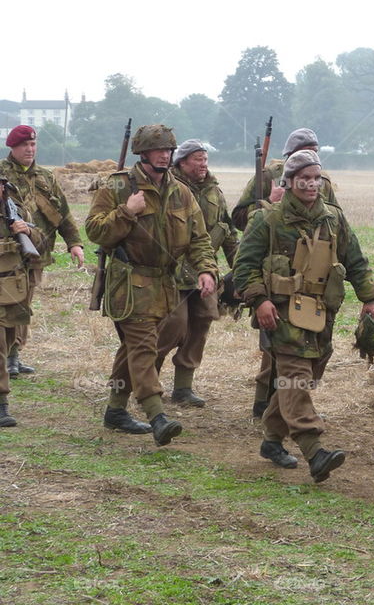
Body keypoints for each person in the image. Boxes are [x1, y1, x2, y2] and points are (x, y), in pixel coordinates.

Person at [233, 150, 374, 482]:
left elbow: (355, 260)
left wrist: (370, 299)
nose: (312, 184)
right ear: (288, 181)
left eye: (316, 178)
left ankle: (272, 440)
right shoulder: (267, 220)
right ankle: (314, 450)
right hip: (283, 315)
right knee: (295, 378)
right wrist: (259, 301)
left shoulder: (333, 219)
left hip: (321, 315)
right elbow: (243, 267)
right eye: (305, 178)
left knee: (302, 378)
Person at [86, 124, 217, 446]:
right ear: (142, 153)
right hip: (129, 285)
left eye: (169, 150)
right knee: (143, 348)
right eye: (158, 150)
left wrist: (206, 270)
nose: (164, 155)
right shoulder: (118, 187)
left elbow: (199, 238)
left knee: (133, 348)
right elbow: (95, 231)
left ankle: (116, 410)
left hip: (166, 285)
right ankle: (157, 415)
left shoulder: (181, 192)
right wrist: (125, 212)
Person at [234, 128, 338, 418]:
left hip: (312, 274)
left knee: (307, 352)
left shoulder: (323, 181)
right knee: (275, 352)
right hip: (275, 271)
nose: (312, 154)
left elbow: (334, 222)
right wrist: (267, 201)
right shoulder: (267, 176)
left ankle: (281, 413)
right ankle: (265, 405)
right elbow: (239, 216)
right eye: (306, 148)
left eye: (315, 149)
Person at [154, 140, 239, 406]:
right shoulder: (168, 189)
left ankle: (183, 388)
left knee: (202, 322)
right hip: (173, 273)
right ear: (181, 163)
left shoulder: (214, 192)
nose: (203, 164)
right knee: (172, 327)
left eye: (205, 159)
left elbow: (227, 231)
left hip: (205, 271)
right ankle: (146, 381)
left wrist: (240, 267)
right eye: (197, 159)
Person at [0, 125, 84, 377]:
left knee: (24, 304)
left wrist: (75, 243)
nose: (29, 149)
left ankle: (15, 355)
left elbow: (65, 215)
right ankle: (7, 359)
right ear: (12, 148)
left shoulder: (46, 178)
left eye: (33, 144)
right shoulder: (2, 176)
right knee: (7, 305)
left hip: (36, 254)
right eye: (24, 145)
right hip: (7, 255)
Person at [0, 183, 43, 427]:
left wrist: (25, 231)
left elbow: (41, 245)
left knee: (6, 343)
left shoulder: (15, 210)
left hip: (12, 290)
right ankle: (2, 404)